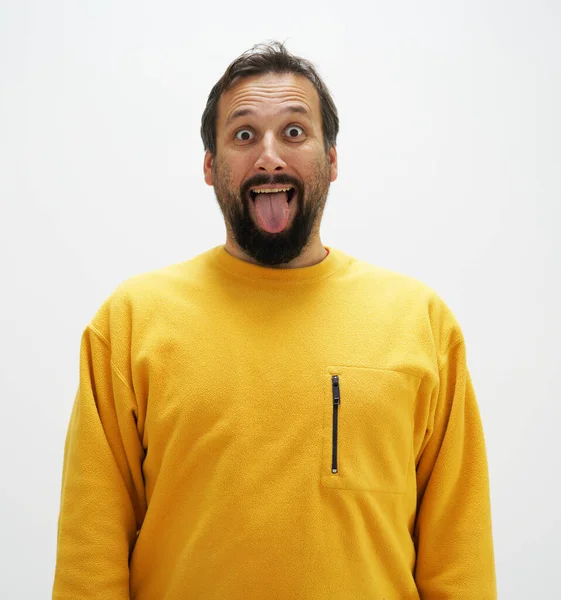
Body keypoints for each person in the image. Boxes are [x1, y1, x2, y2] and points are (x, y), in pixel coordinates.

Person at [52, 41, 497, 599]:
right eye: (243, 134)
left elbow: (460, 557)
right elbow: (88, 556)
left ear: (331, 159)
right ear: (211, 167)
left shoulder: (421, 322)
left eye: (294, 132)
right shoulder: (131, 322)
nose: (269, 157)